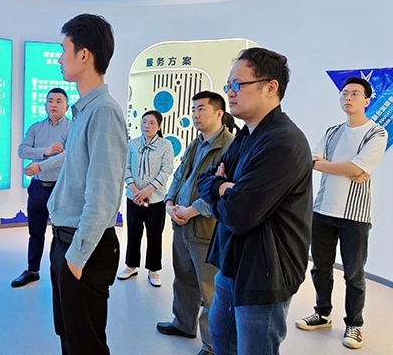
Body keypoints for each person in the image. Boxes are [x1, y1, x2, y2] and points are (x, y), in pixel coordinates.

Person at [197, 48, 313, 355]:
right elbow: (204, 180)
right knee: (221, 337)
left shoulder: (283, 141)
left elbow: (239, 214)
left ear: (271, 87)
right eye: (228, 85)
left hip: (264, 273)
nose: (230, 93)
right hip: (232, 263)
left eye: (238, 84)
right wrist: (225, 186)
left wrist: (222, 189)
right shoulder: (247, 135)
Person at [47, 13, 128, 355]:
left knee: (86, 346)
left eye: (63, 50)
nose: (59, 58)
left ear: (83, 55)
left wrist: (76, 258)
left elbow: (103, 196)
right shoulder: (84, 111)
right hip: (68, 241)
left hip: (84, 248)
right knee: (70, 338)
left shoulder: (103, 112)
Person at [296, 77, 387, 349]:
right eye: (344, 93)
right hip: (323, 209)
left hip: (355, 215)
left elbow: (357, 168)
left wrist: (344, 167)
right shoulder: (332, 131)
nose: (347, 97)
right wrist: (349, 168)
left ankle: (354, 324)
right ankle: (322, 313)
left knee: (354, 274)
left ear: (367, 100)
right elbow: (312, 161)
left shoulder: (376, 133)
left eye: (355, 93)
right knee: (320, 267)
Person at [156, 91, 234, 355]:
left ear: (219, 113)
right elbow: (180, 175)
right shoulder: (196, 143)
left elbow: (223, 192)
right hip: (182, 224)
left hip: (206, 230)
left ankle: (212, 345)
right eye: (193, 109)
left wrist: (191, 211)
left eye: (201, 109)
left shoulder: (229, 147)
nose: (195, 115)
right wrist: (169, 202)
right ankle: (183, 323)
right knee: (184, 278)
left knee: (209, 289)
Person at [11, 87, 72, 287]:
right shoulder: (36, 127)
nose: (53, 104)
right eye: (50, 100)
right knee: (35, 232)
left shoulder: (72, 128)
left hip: (61, 187)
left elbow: (67, 156)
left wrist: (40, 165)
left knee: (62, 232)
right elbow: (22, 151)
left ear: (67, 106)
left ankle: (63, 272)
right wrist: (45, 151)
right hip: (38, 186)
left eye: (58, 101)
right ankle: (33, 270)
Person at [117, 110, 173, 287]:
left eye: (151, 123)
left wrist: (148, 190)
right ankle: (131, 265)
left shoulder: (165, 145)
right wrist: (135, 190)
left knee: (154, 234)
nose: (146, 126)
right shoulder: (132, 144)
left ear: (159, 126)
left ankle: (153, 270)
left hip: (155, 198)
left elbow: (167, 170)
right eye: (144, 122)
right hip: (133, 197)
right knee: (133, 232)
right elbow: (125, 167)